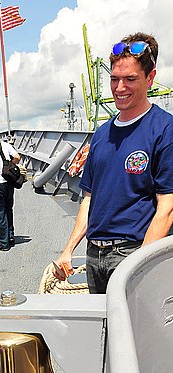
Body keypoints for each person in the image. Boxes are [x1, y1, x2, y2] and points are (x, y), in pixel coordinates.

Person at [54, 33, 173, 293]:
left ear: (150, 78)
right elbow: (89, 199)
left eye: (130, 79)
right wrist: (68, 249)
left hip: (134, 252)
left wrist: (140, 266)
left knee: (137, 332)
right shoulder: (101, 134)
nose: (120, 88)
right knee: (104, 329)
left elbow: (167, 207)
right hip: (94, 254)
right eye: (114, 79)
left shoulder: (165, 129)